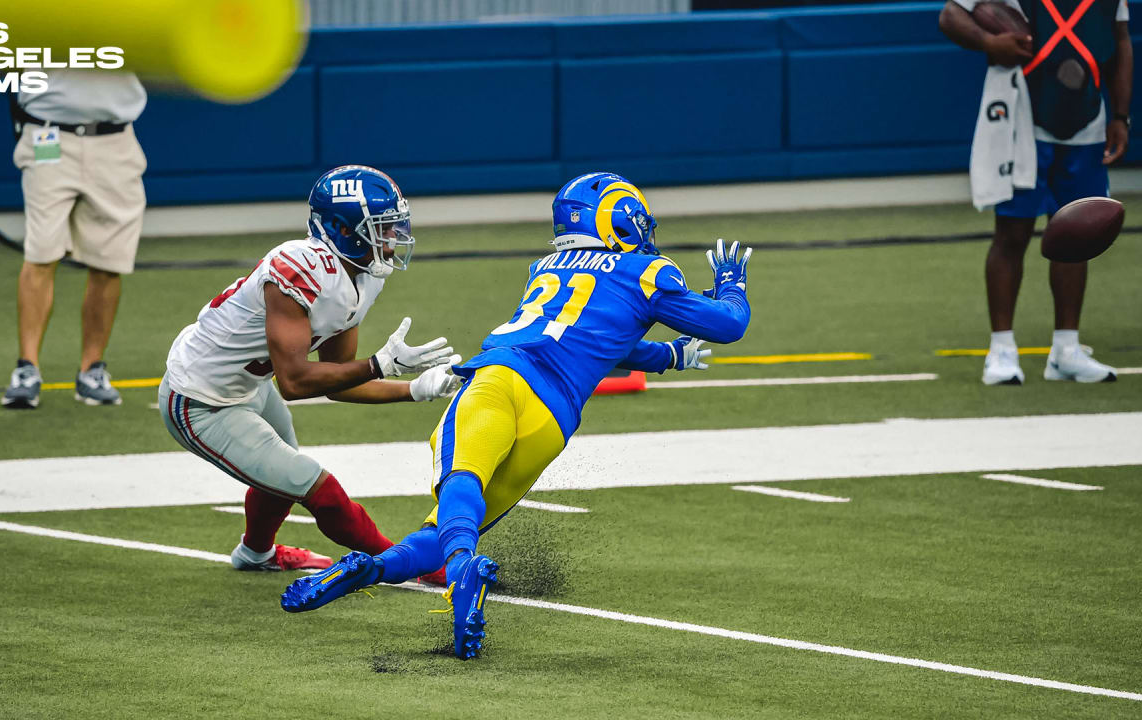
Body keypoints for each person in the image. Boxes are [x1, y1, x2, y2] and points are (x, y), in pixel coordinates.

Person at [281, 172, 752, 660]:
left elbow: (578, 331)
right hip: (553, 420)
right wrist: (729, 287)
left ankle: (458, 568)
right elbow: (719, 325)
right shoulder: (646, 272)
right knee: (446, 527)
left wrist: (664, 356)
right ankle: (375, 569)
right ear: (619, 220)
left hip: (502, 378)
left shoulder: (546, 265)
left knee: (461, 483)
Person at [159, 165, 459, 579]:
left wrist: (415, 388)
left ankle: (255, 554)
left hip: (248, 382)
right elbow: (296, 383)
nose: (393, 238)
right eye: (383, 228)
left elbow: (337, 379)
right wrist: (380, 364)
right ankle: (416, 567)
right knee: (317, 487)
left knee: (282, 472)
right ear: (343, 230)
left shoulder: (364, 274)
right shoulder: (298, 267)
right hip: (200, 398)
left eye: (395, 226)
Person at [939, 0, 1131, 385]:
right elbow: (950, 15)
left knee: (1078, 236)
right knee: (1012, 233)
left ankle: (1066, 350)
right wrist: (988, 42)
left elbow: (1120, 40)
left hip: (1086, 119)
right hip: (1021, 114)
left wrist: (1120, 115)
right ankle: (1002, 350)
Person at [1, 70, 151, 408]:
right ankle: (26, 370)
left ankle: (91, 371)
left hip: (115, 139)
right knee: (40, 252)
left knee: (109, 261)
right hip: (48, 135)